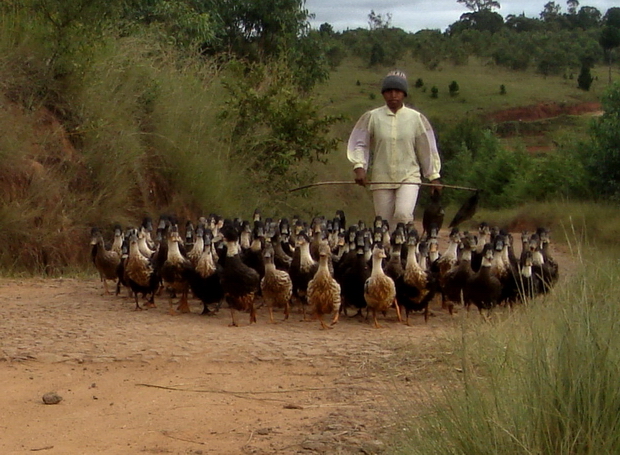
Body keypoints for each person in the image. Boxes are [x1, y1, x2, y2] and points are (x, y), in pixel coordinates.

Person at [347, 70, 442, 231]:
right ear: (383, 94)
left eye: (397, 91)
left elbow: (426, 149)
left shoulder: (415, 119)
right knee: (383, 223)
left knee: (403, 215)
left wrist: (433, 176)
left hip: (408, 176)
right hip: (381, 177)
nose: (393, 95)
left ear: (404, 94)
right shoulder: (372, 117)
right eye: (389, 91)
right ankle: (388, 253)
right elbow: (360, 143)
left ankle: (405, 250)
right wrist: (359, 168)